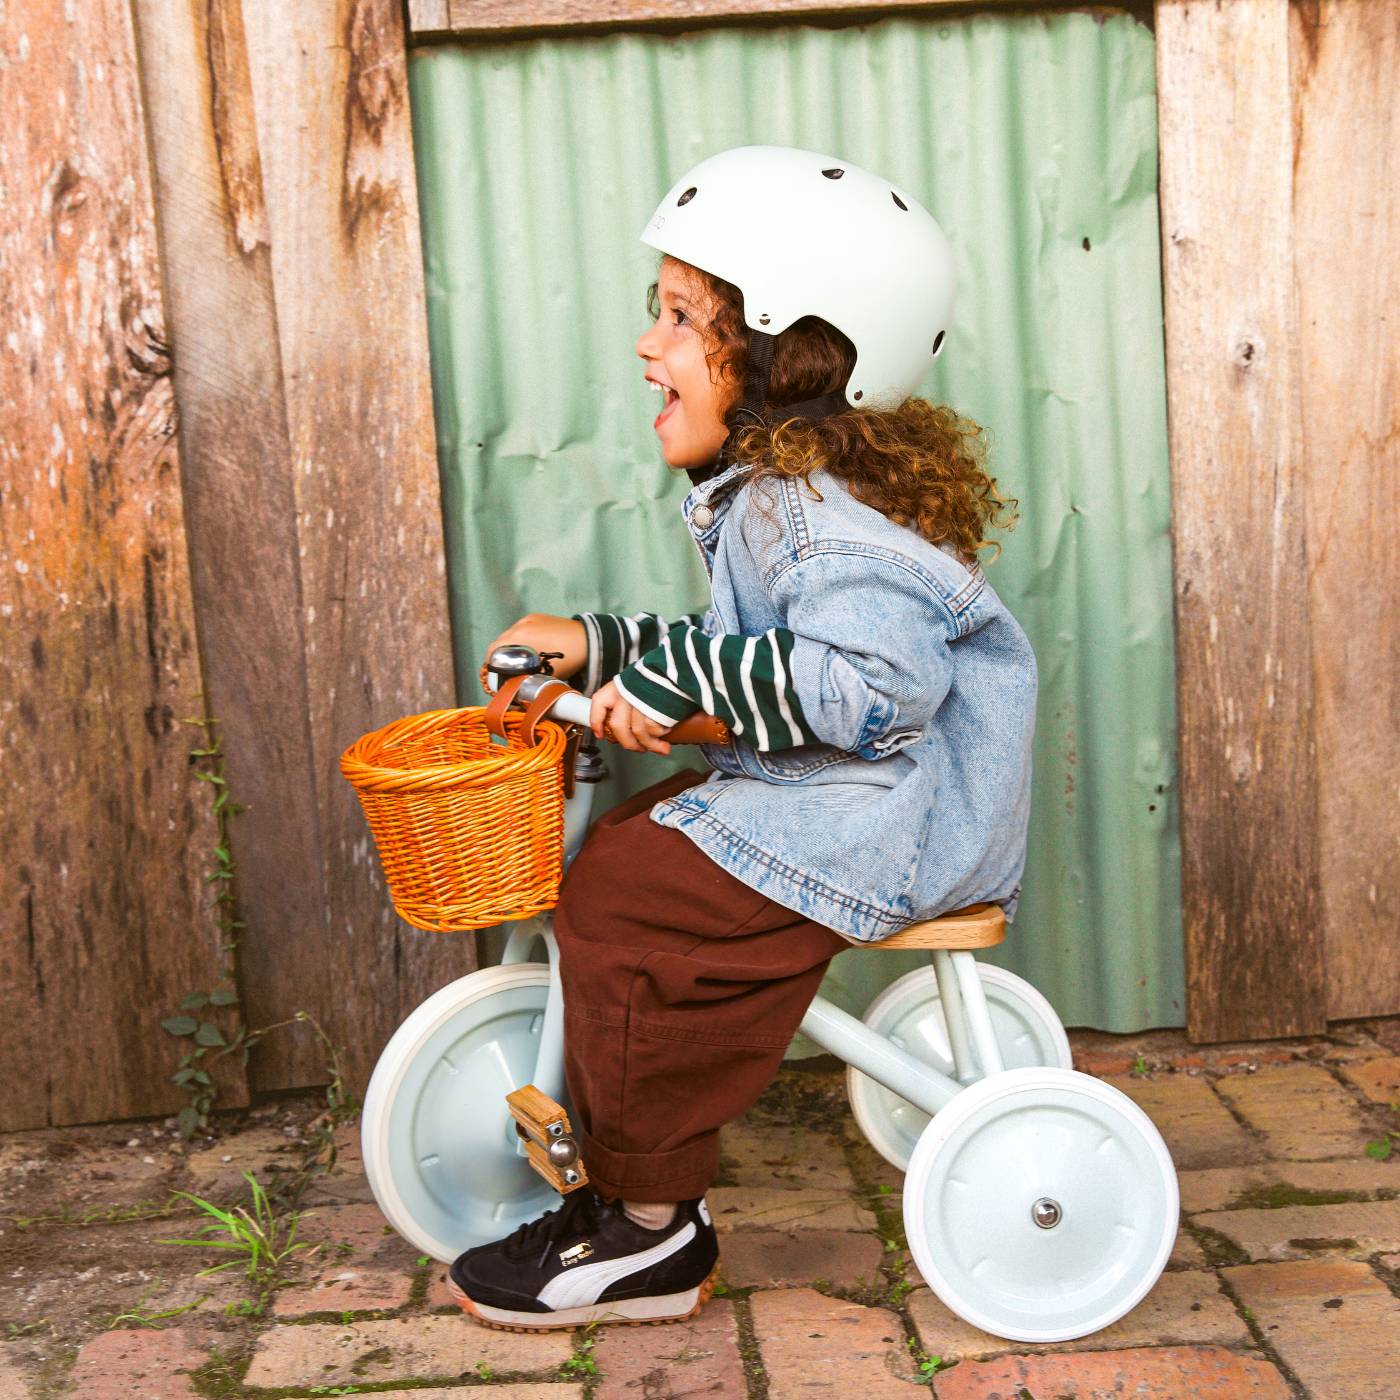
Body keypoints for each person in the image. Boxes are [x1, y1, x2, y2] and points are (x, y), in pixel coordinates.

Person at [448, 145, 1037, 1332]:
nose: (645, 342)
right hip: (856, 808)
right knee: (636, 837)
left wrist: (676, 680)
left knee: (629, 889)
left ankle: (650, 1225)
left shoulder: (818, 518)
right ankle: (631, 1162)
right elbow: (757, 648)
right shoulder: (777, 493)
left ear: (784, 353)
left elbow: (873, 684)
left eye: (681, 318)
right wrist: (605, 646)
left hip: (896, 823)